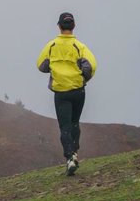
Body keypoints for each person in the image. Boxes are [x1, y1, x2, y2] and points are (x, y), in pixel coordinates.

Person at [37, 12, 97, 176]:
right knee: (75, 122)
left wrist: (54, 68)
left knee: (64, 127)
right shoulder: (80, 46)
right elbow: (91, 66)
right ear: (74, 26)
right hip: (78, 90)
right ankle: (75, 153)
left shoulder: (51, 46)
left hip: (61, 92)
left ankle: (70, 158)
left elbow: (40, 66)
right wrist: (82, 78)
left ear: (59, 26)